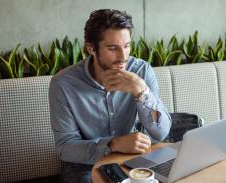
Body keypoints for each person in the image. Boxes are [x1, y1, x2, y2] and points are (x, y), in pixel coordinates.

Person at [49, 9, 172, 183]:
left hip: (132, 157)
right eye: (113, 48)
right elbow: (65, 147)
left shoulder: (141, 71)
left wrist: (141, 91)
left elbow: (161, 132)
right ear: (91, 48)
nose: (123, 57)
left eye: (127, 46)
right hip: (85, 165)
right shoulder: (63, 83)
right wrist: (113, 144)